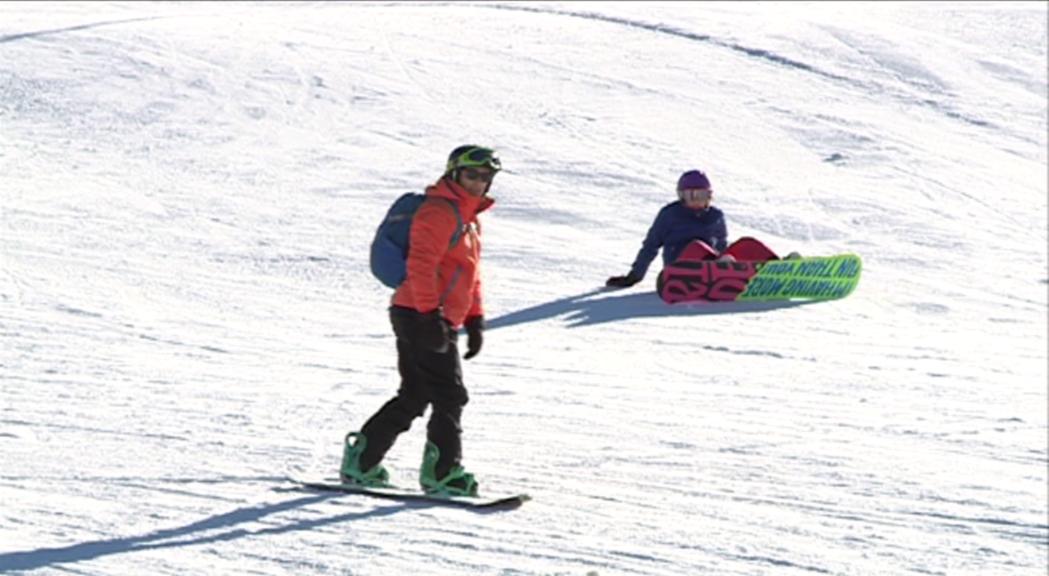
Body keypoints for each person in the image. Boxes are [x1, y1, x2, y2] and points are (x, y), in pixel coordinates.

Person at [339, 145, 499, 496]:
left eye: (485, 177)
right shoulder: (439, 212)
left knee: (416, 392)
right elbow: (421, 266)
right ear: (454, 173)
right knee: (450, 395)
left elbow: (470, 275)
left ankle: (362, 460)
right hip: (419, 313)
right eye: (472, 175)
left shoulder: (469, 219)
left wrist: (474, 318)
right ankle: (443, 473)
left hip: (430, 315)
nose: (478, 183)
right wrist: (429, 315)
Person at [607, 169, 792, 288]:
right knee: (697, 245)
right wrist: (634, 277)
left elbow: (721, 245)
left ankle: (782, 269)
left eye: (702, 195)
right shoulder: (669, 215)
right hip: (680, 272)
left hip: (715, 266)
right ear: (681, 196)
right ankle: (722, 271)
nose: (696, 201)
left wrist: (728, 258)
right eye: (691, 195)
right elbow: (650, 246)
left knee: (747, 243)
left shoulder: (716, 216)